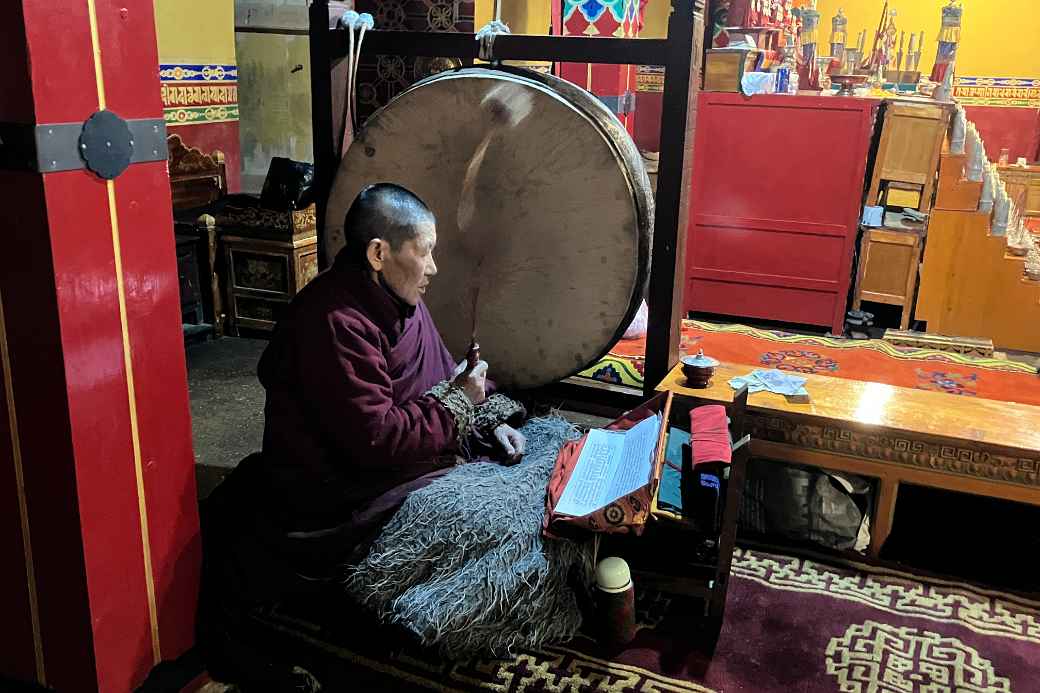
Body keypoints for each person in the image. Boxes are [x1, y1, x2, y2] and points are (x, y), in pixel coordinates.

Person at [197, 183, 527, 689]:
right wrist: (462, 403)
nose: (434, 269)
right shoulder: (333, 322)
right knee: (487, 519)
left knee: (531, 463)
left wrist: (488, 419)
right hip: (339, 488)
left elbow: (441, 375)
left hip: (398, 460)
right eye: (425, 251)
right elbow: (378, 439)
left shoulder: (397, 300)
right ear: (379, 253)